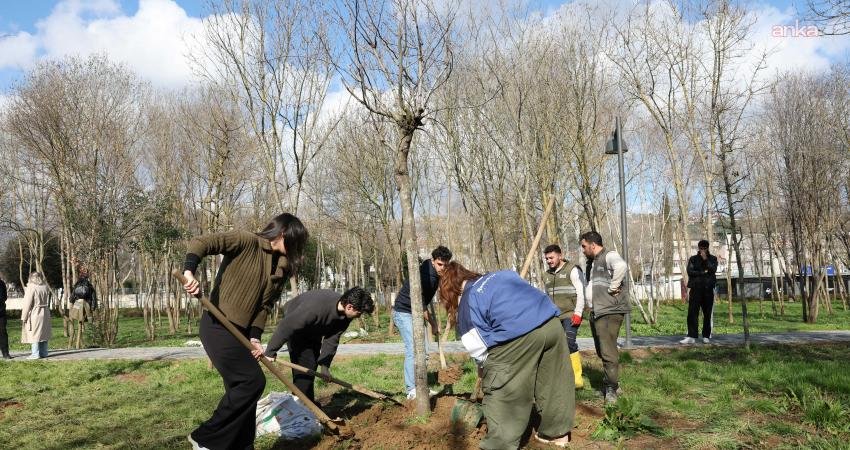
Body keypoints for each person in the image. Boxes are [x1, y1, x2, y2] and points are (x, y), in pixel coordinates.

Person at [181, 213, 308, 450]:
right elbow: (201, 242)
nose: (296, 249)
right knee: (252, 382)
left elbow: (264, 306)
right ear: (283, 234)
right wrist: (190, 272)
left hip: (242, 334)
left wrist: (255, 337)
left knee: (243, 398)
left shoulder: (282, 268)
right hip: (218, 325)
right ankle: (205, 437)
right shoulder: (245, 240)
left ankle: (242, 446)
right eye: (296, 241)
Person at [439, 262, 574, 448]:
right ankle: (556, 434)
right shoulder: (502, 275)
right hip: (552, 324)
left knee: (502, 386)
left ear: (451, 293)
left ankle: (499, 445)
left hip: (519, 335)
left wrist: (485, 372)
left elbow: (481, 353)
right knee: (553, 381)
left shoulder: (467, 304)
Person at [263, 287, 374, 401]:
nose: (359, 316)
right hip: (296, 327)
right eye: (359, 313)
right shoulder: (314, 308)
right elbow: (286, 327)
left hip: (314, 330)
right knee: (304, 374)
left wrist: (324, 366)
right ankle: (300, 409)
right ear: (349, 306)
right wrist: (270, 352)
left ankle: (306, 406)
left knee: (310, 371)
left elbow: (332, 338)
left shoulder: (346, 315)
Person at [392, 245, 452, 400]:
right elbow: (421, 304)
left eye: (445, 265)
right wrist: (433, 324)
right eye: (440, 264)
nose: (442, 268)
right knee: (414, 350)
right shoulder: (427, 277)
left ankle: (421, 387)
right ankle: (412, 390)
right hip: (404, 312)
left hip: (416, 312)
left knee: (423, 352)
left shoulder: (431, 269)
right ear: (433, 261)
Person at [580, 231, 630, 404]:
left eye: (584, 246)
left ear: (593, 245)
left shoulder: (609, 255)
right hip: (598, 311)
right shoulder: (592, 262)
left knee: (607, 351)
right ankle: (612, 383)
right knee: (603, 350)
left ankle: (611, 388)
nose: (583, 250)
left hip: (609, 310)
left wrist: (613, 287)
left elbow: (622, 267)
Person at [543, 244, 587, 389]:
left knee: (569, 343)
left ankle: (576, 380)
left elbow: (581, 292)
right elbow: (547, 297)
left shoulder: (572, 270)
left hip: (570, 314)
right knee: (555, 346)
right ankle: (561, 377)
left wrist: (578, 313)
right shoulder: (546, 275)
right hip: (554, 317)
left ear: (560, 255)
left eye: (551, 257)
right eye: (547, 258)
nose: (549, 261)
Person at [681, 240, 718, 345]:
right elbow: (690, 272)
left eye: (704, 248)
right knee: (692, 313)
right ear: (698, 247)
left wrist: (706, 260)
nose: (702, 250)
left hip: (708, 289)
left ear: (707, 248)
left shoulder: (713, 259)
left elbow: (712, 270)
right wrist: (703, 272)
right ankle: (692, 336)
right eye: (701, 248)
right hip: (695, 289)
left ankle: (706, 336)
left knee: (707, 313)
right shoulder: (693, 259)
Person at [21, 272, 52, 359]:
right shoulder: (45, 286)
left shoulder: (31, 287)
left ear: (31, 278)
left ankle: (35, 354)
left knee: (34, 333)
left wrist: (24, 316)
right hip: (45, 312)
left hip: (35, 312)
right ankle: (44, 353)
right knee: (43, 333)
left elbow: (27, 303)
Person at [0, 275, 11, 359]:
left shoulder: (2, 283)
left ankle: (5, 353)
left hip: (1, 313)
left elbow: (5, 297)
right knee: (3, 333)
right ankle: (6, 354)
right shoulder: (2, 283)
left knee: (3, 333)